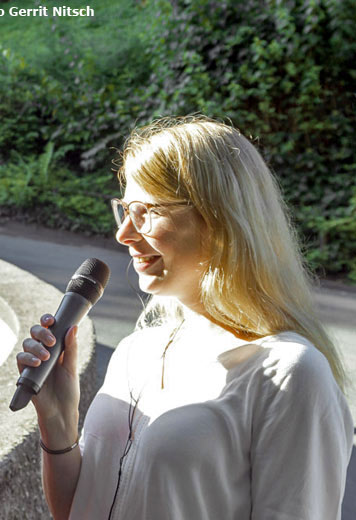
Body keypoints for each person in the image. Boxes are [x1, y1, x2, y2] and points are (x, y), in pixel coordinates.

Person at [18, 116, 353, 519]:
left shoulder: (289, 375)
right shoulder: (134, 352)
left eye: (145, 212)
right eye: (124, 209)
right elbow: (76, 508)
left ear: (218, 219)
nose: (124, 233)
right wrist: (57, 418)